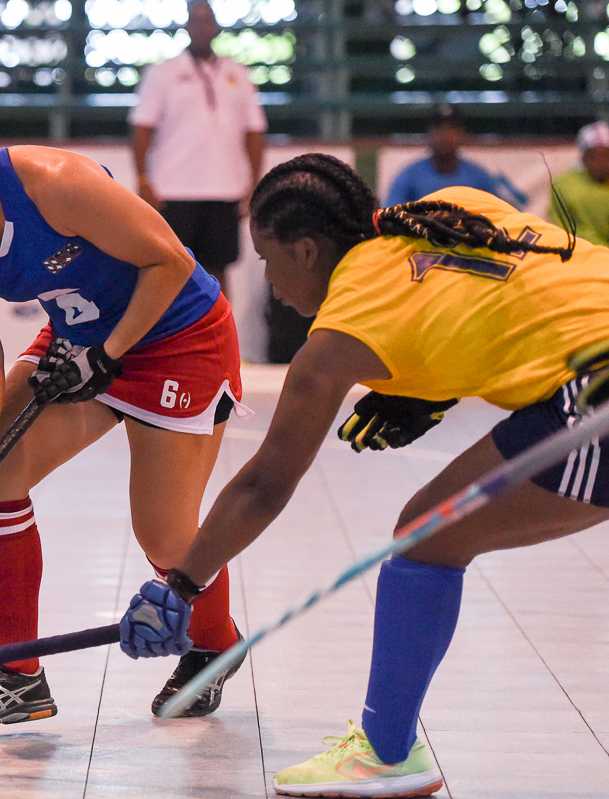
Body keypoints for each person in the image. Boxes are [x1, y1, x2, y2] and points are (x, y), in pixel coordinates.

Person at [117, 152, 609, 797]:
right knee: (431, 531)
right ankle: (389, 747)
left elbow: (265, 486)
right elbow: (511, 290)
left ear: (308, 250)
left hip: (593, 395)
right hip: (586, 369)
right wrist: (427, 388)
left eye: (268, 260)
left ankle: (387, 754)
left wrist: (182, 583)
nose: (270, 281)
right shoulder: (443, 214)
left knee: (427, 536)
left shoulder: (343, 324)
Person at [0, 24, 249, 730]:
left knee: (164, 537)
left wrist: (110, 351)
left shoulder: (54, 183)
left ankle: (214, 646)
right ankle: (16, 674)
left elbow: (168, 262)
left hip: (177, 335)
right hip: (82, 338)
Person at [129, 0, 266, 300]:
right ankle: (170, 343)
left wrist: (253, 182)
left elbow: (254, 131)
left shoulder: (238, 72)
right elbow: (141, 128)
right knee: (170, 271)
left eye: (208, 19)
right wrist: (143, 178)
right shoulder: (163, 72)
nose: (202, 26)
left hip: (224, 189)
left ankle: (220, 341)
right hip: (174, 190)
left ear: (216, 25)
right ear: (187, 26)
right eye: (196, 19)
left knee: (218, 272)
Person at [384, 104, 503, 207]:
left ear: (462, 135)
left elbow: (501, 217)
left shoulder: (479, 177)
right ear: (429, 134)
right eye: (439, 129)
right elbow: (390, 215)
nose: (445, 135)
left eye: (451, 129)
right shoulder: (409, 176)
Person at [548, 120, 609, 247]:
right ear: (582, 157)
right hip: (579, 255)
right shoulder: (563, 185)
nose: (601, 163)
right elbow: (562, 229)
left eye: (606, 155)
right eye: (593, 156)